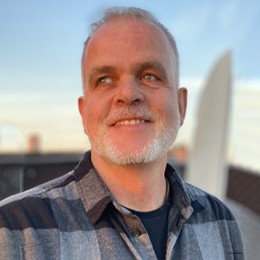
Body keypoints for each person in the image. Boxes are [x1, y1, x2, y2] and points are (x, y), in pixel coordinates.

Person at [0, 7, 244, 260]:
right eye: (105, 79)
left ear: (181, 105)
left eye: (149, 75)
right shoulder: (14, 230)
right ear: (84, 114)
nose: (128, 94)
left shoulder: (220, 221)